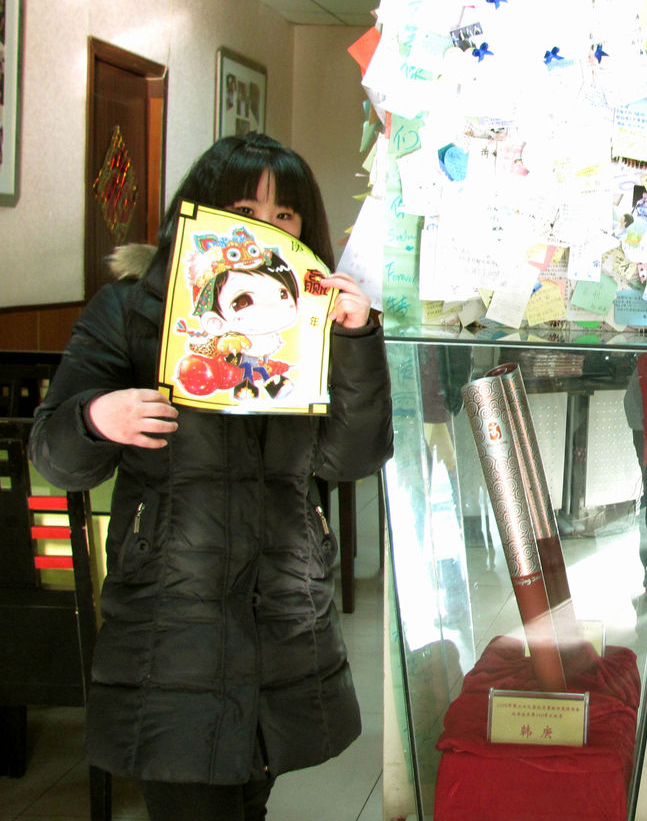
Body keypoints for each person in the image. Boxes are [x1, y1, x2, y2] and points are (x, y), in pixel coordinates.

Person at [30, 133, 394, 821]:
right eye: (243, 208)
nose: (263, 226)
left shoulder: (314, 318)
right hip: (172, 612)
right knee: (191, 794)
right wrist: (97, 418)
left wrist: (354, 340)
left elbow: (352, 460)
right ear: (199, 210)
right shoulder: (130, 309)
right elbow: (54, 454)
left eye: (284, 215)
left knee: (251, 792)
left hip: (282, 601)